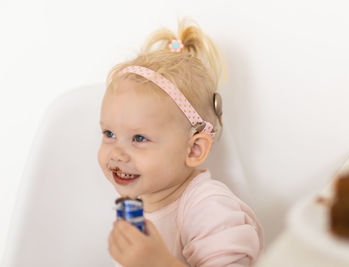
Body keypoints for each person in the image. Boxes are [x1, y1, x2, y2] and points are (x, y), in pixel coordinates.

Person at [97, 18, 264, 267]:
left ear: (194, 149)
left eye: (139, 138)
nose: (117, 154)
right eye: (109, 134)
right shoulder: (140, 204)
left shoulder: (209, 208)